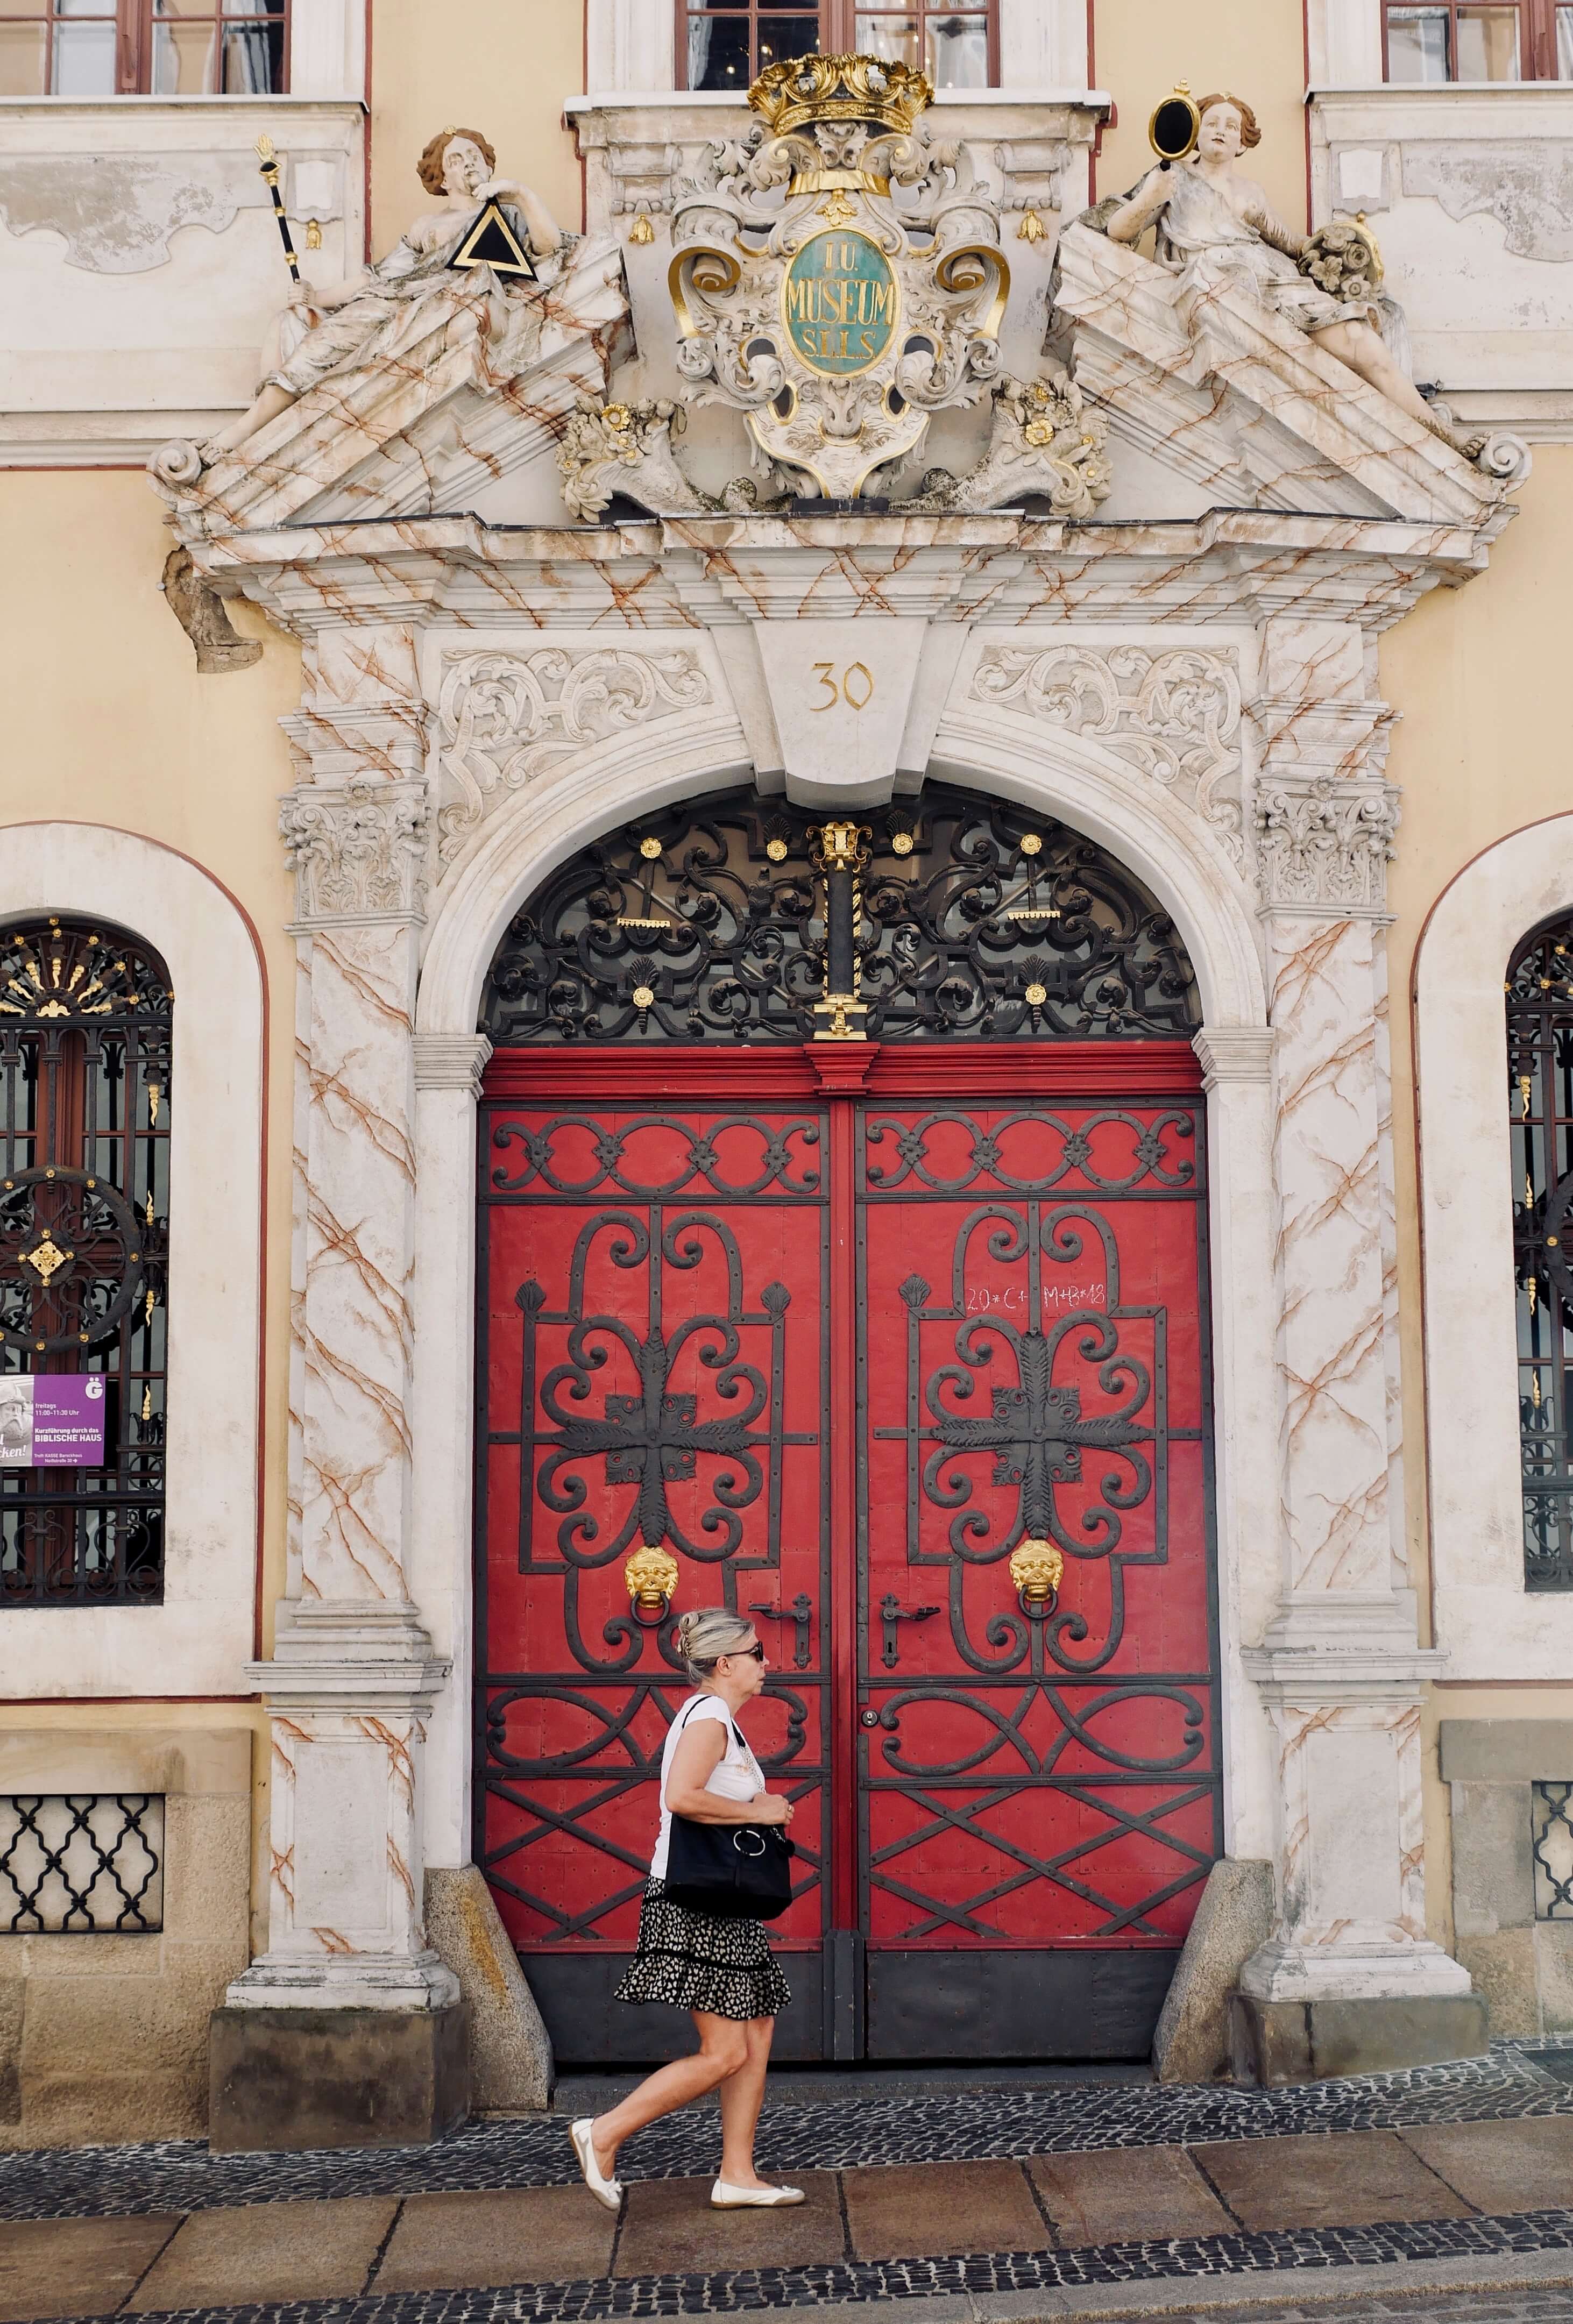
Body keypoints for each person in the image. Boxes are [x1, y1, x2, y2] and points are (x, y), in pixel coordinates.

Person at [568, 1607, 803, 2212]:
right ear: (725, 1664)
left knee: (756, 2028)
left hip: (719, 1902)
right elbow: (681, 1798)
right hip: (692, 1902)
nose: (765, 1662)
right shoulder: (709, 1717)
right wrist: (762, 1811)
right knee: (725, 2050)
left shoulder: (719, 1718)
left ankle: (737, 2174)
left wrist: (760, 1803)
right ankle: (604, 2132)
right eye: (756, 1653)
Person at [1103, 92, 1483, 457]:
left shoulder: (1252, 192)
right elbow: (1118, 231)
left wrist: (1343, 245)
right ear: (1195, 134)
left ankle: (1437, 431)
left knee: (1361, 340)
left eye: (1232, 127)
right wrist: (1150, 198)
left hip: (1272, 281)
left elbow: (1289, 243)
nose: (1221, 130)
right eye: (1212, 122)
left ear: (1242, 144)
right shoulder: (1171, 177)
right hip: (1222, 285)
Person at [200, 126, 561, 462]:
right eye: (455, 159)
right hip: (399, 298)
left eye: (474, 154)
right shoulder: (427, 226)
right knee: (325, 338)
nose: (468, 162)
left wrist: (520, 194)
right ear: (443, 180)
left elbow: (548, 247)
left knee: (341, 337)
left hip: (442, 306)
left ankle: (255, 425)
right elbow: (378, 278)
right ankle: (252, 425)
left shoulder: (507, 213)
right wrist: (317, 297)